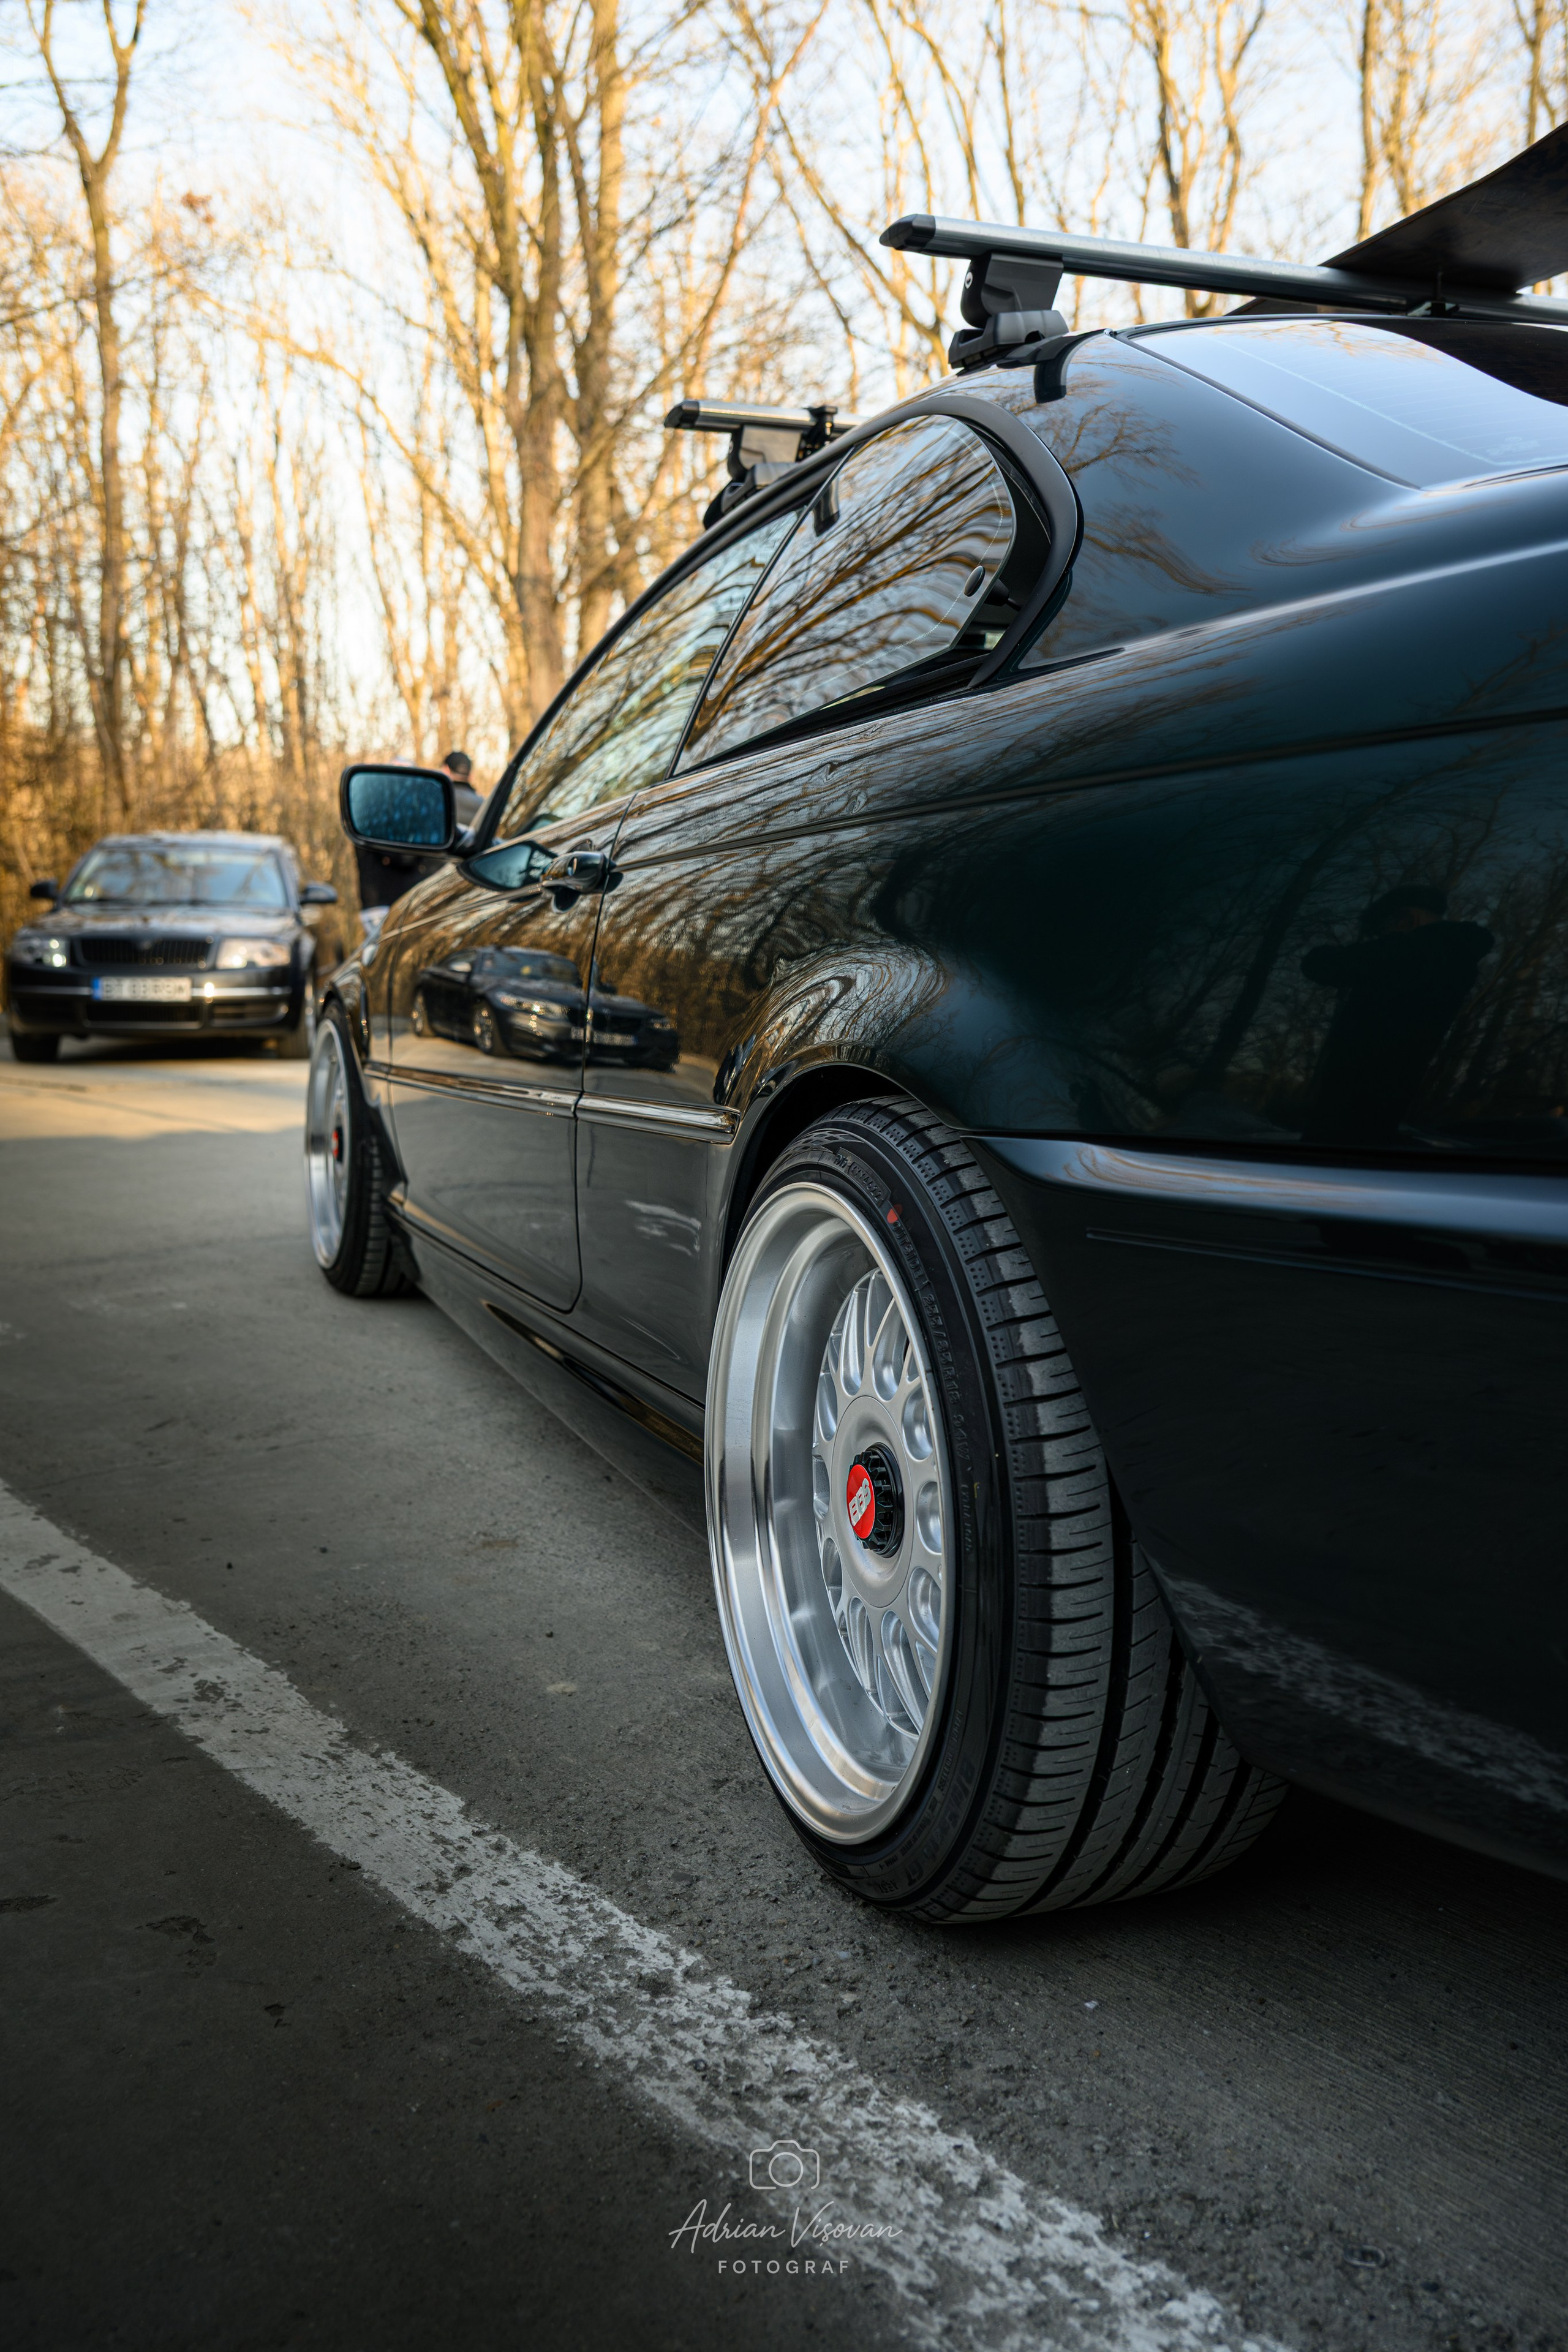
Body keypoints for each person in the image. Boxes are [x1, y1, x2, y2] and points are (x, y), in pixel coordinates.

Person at [1300, 884, 1494, 1143]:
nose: (1381, 940)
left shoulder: (1416, 952)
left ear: (1405, 920)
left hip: (1352, 1114)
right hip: (1380, 1111)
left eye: (1384, 932)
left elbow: (1322, 966)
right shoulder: (1451, 955)